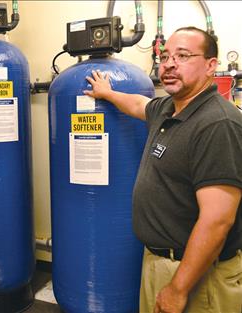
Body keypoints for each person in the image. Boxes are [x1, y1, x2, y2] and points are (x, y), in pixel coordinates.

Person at [84, 26, 242, 313]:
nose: (169, 64)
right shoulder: (169, 109)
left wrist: (178, 289)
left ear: (211, 66)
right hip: (160, 264)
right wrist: (107, 93)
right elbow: (139, 104)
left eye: (182, 56)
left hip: (196, 275)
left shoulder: (218, 124)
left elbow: (217, 222)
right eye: (166, 55)